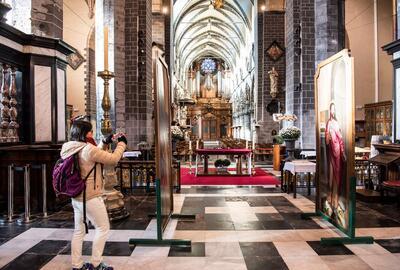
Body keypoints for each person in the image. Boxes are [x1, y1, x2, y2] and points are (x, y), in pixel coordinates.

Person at [60, 117, 127, 270]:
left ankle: (76, 265)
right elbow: (113, 159)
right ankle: (96, 264)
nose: (91, 133)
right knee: (103, 228)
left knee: (79, 231)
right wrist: (122, 143)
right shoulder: (88, 149)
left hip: (76, 196)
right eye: (90, 131)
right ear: (84, 133)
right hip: (90, 196)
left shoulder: (68, 148)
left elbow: (93, 156)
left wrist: (105, 141)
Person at [325, 102, 346, 212]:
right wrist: (327, 137)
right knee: (331, 172)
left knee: (338, 173)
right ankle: (331, 197)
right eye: (331, 109)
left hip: (337, 149)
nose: (333, 112)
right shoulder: (329, 122)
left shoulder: (336, 123)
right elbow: (327, 137)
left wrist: (342, 152)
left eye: (334, 109)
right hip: (331, 149)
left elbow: (341, 139)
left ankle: (336, 198)